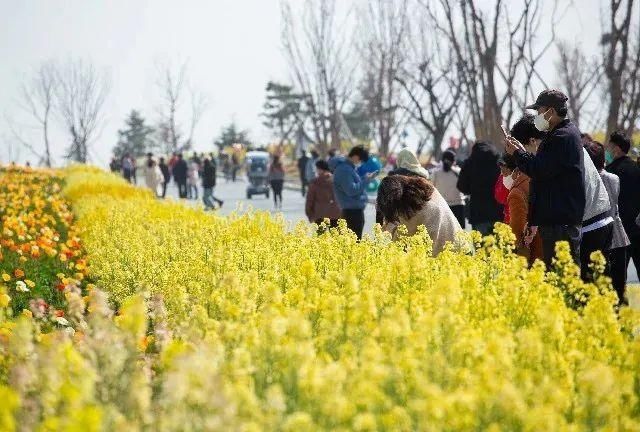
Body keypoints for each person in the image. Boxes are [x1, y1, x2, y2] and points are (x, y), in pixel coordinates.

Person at [505, 89, 585, 269]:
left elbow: (540, 170)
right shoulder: (559, 135)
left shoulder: (562, 137)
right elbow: (543, 172)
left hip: (560, 221)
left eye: (539, 111)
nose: (538, 116)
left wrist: (518, 154)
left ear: (550, 111)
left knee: (563, 275)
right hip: (556, 219)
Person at [585, 140, 630, 303]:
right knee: (619, 285)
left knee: (598, 284)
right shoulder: (614, 178)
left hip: (597, 236)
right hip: (618, 236)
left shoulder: (588, 180)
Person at [377, 175, 462, 256]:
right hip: (460, 246)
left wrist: (388, 229)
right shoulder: (429, 190)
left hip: (441, 258)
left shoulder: (412, 211)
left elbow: (400, 242)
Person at [605, 131, 640, 278]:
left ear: (617, 148)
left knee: (618, 277)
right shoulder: (637, 169)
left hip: (619, 232)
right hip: (638, 229)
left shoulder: (610, 173)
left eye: (610, 146)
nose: (608, 148)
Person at [499, 154, 544, 264]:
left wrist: (511, 248)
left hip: (532, 251)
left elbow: (517, 227)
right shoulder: (532, 179)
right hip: (546, 242)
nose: (502, 175)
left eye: (504, 172)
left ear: (515, 171)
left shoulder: (516, 193)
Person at [579, 136, 613, 282]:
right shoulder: (611, 177)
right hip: (607, 221)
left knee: (589, 276)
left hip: (591, 226)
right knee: (603, 273)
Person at [375, 148, 430, 226]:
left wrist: (379, 225)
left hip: (398, 218)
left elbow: (382, 201)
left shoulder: (393, 176)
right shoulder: (423, 176)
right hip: (420, 218)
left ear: (400, 159)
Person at [329, 146, 376, 240]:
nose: (360, 163)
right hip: (352, 213)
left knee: (353, 245)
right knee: (354, 244)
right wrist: (366, 180)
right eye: (361, 160)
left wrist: (364, 179)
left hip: (352, 211)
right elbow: (351, 190)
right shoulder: (344, 169)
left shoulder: (347, 168)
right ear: (355, 156)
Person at [457, 141, 502, 236]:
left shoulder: (470, 163)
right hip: (498, 211)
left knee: (482, 246)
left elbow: (461, 186)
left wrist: (473, 189)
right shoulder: (499, 162)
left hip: (478, 212)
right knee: (500, 246)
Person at [432, 149, 465, 228]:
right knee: (460, 235)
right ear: (454, 161)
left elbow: (432, 189)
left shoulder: (436, 173)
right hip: (458, 206)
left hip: (443, 207)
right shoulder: (458, 172)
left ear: (442, 160)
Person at [305, 159, 341, 230]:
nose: (316, 171)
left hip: (319, 215)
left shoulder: (315, 182)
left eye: (317, 169)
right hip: (336, 214)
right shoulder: (337, 180)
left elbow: (310, 200)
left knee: (321, 238)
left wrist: (309, 214)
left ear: (320, 169)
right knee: (336, 239)